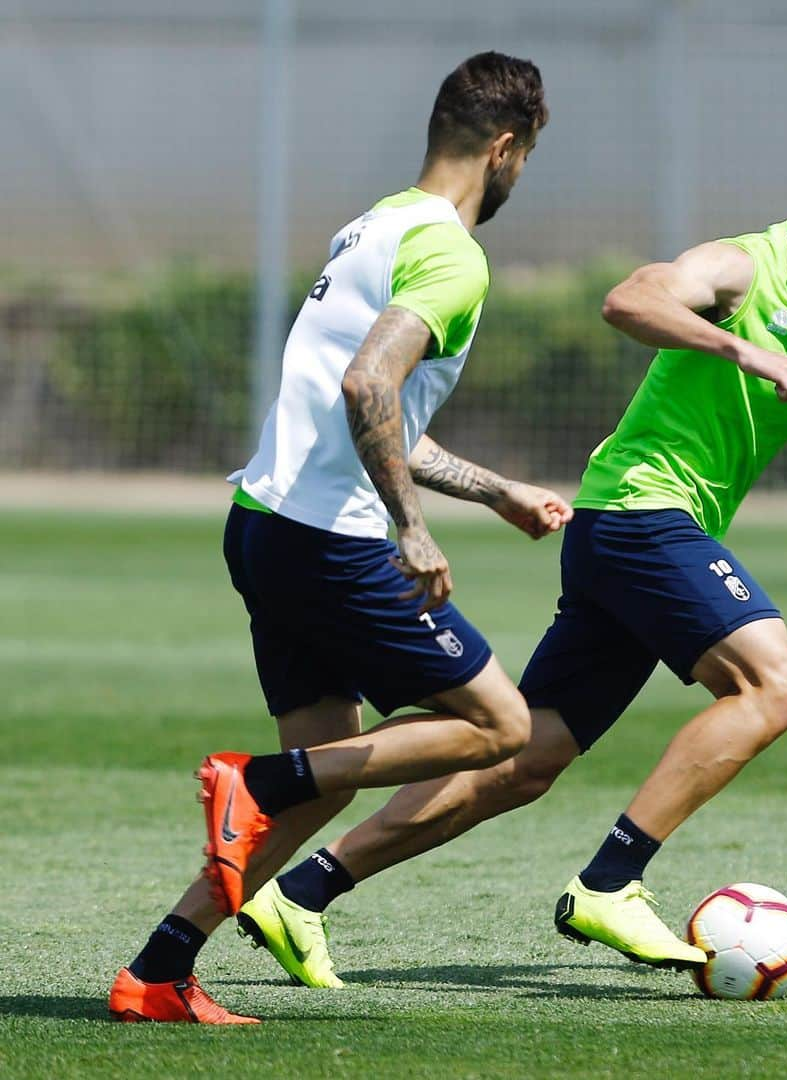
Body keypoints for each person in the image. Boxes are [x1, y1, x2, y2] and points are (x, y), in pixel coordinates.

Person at [228, 155, 787, 991]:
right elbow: (628, 301)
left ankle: (301, 892)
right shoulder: (740, 268)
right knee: (776, 686)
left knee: (523, 760)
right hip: (638, 513)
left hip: (634, 534)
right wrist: (740, 349)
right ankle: (611, 881)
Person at [108, 50, 570, 1024]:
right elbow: (370, 387)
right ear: (504, 146)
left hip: (266, 528)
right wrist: (414, 527)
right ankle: (254, 780)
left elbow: (374, 406)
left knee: (324, 785)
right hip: (333, 541)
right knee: (504, 726)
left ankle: (159, 968)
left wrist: (494, 493)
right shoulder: (451, 249)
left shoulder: (372, 225)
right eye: (526, 156)